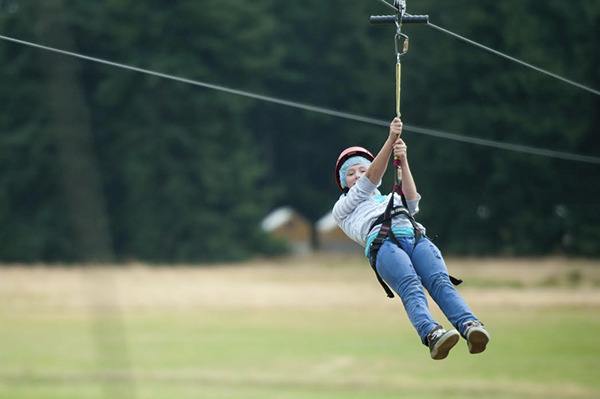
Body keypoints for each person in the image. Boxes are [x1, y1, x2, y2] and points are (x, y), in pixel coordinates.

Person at [332, 117, 490, 360]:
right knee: (412, 287)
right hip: (384, 245)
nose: (357, 176)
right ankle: (432, 335)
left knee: (440, 283)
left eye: (362, 169)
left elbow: (412, 201)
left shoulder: (388, 198)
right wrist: (391, 139)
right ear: (344, 182)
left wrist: (403, 160)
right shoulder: (344, 207)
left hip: (415, 237)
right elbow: (368, 181)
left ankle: (469, 326)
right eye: (350, 173)